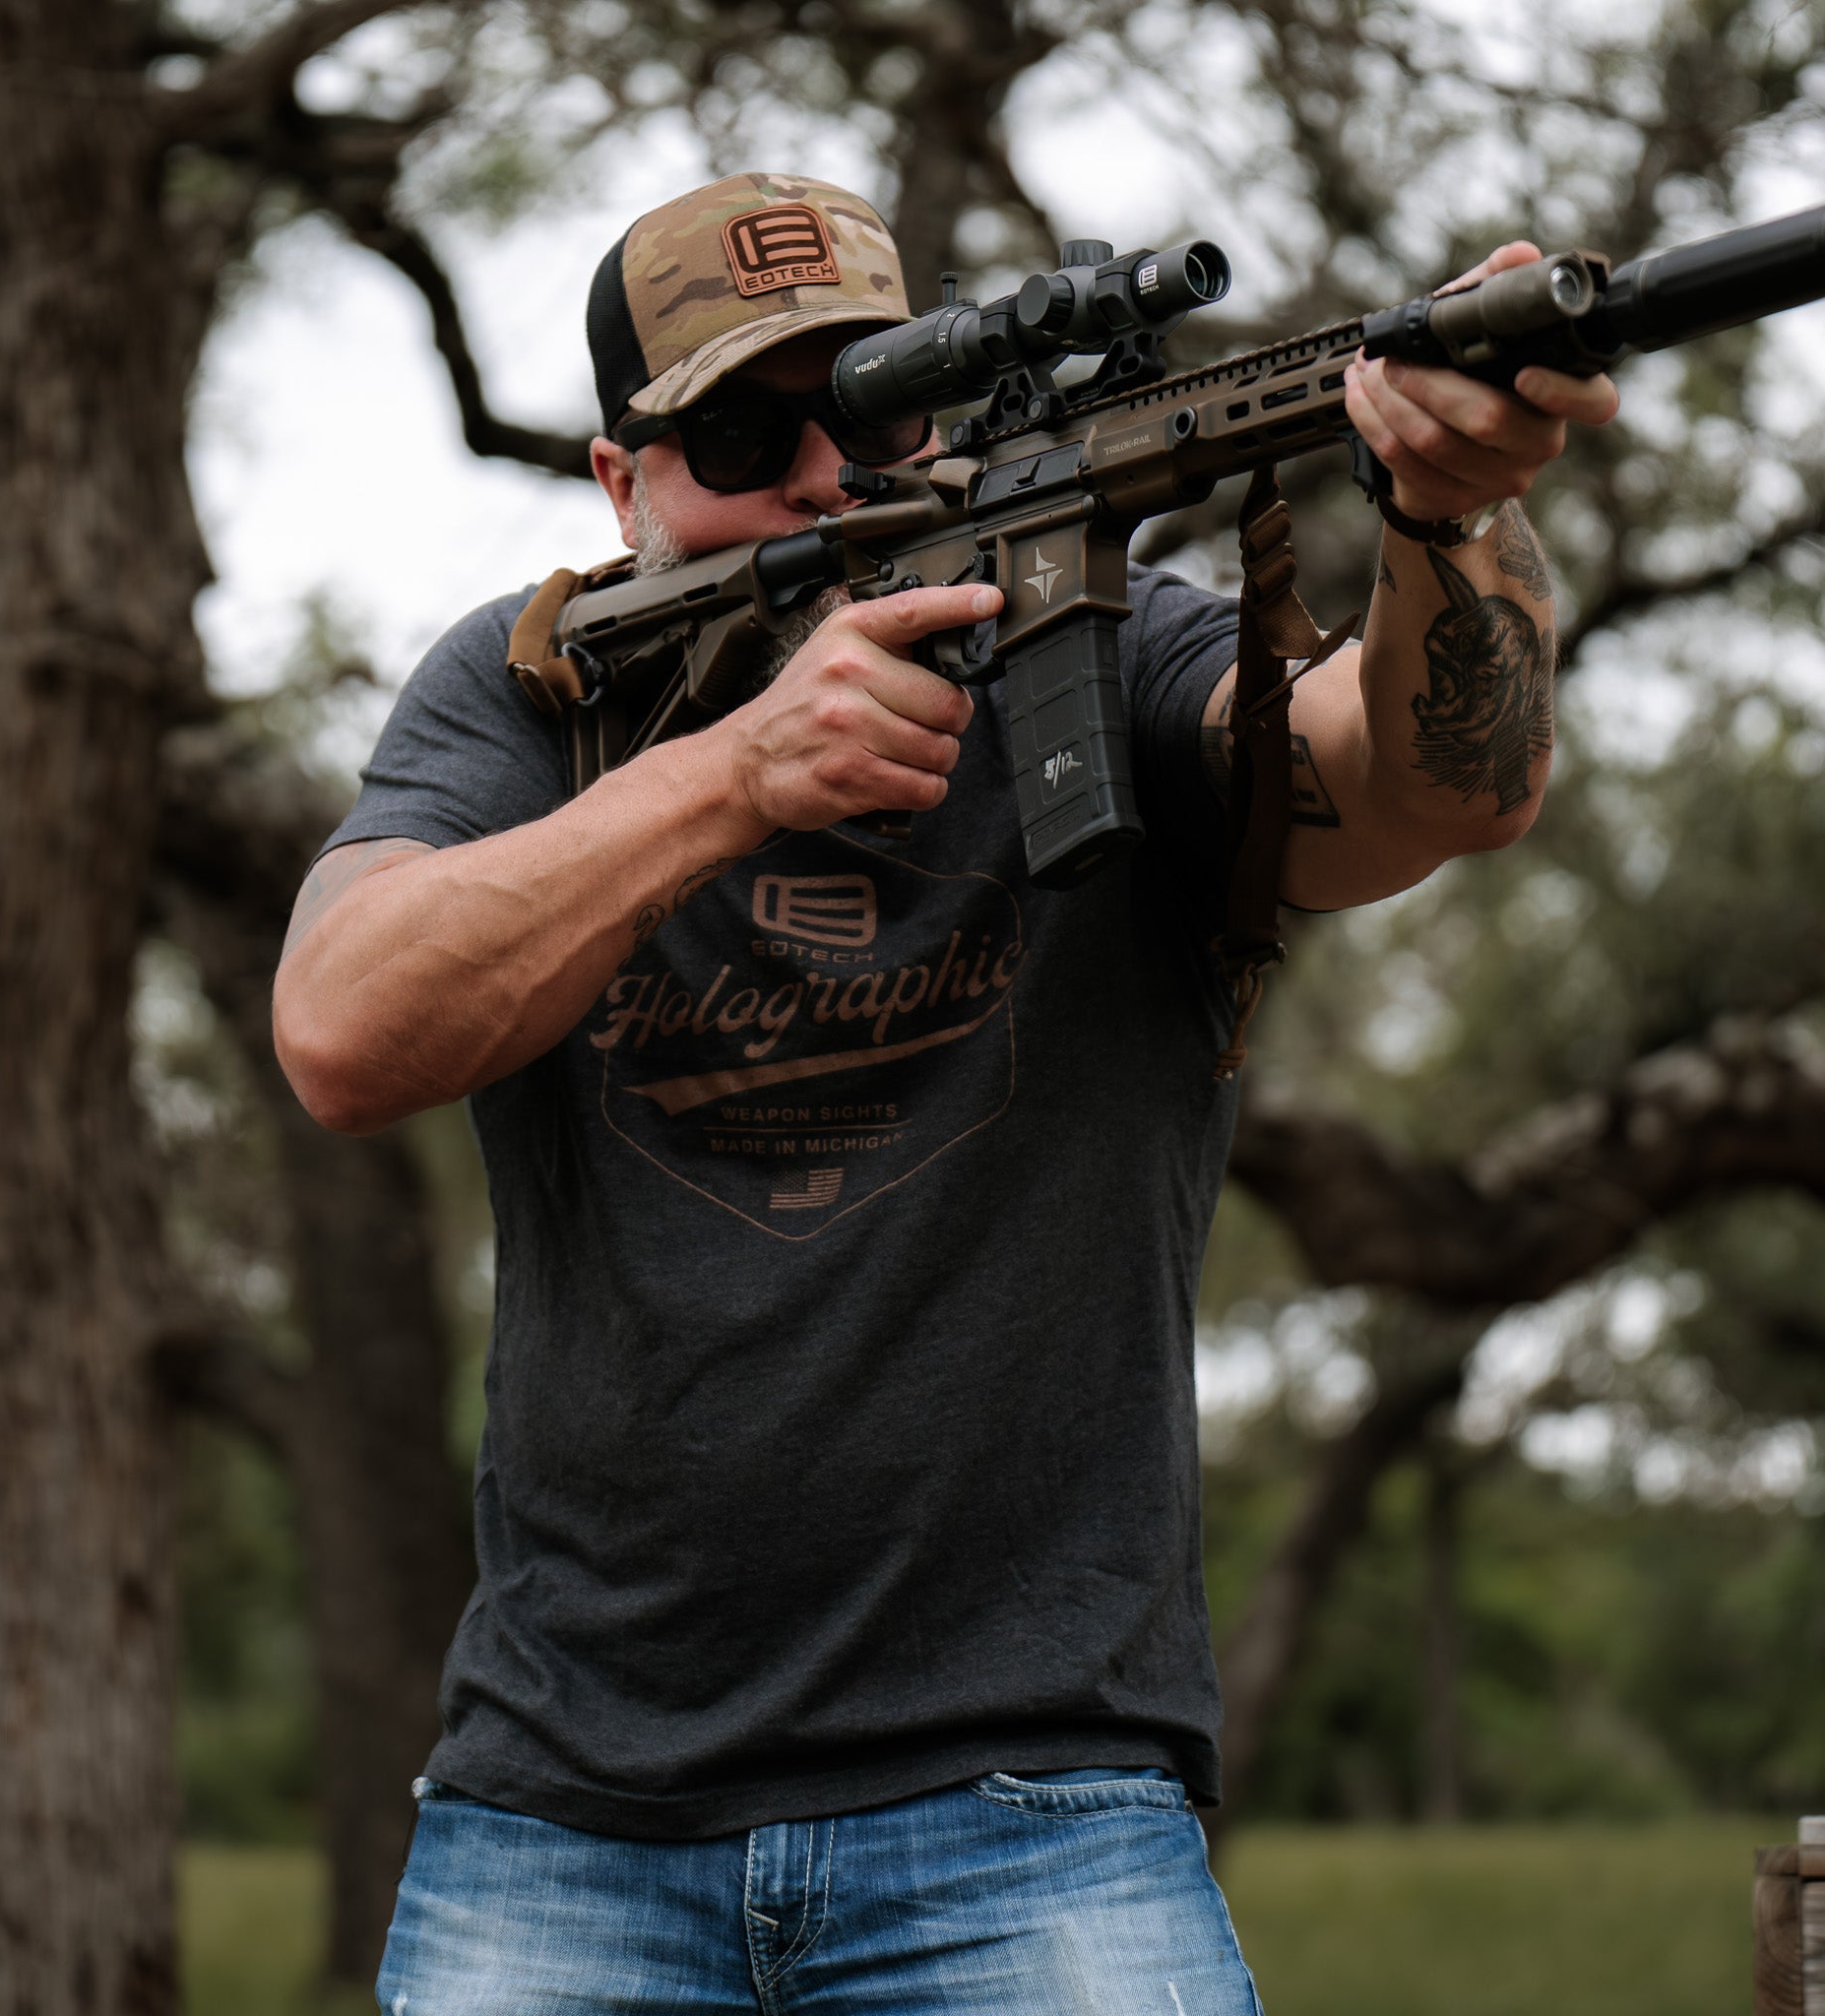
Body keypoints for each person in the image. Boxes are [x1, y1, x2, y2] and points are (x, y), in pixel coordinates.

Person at [274, 172, 1617, 2013]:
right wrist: (737, 775)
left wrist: (1450, 518)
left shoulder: (1103, 638)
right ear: (622, 485)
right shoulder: (530, 697)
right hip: (564, 1818)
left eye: (879, 407)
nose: (827, 476)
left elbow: (1432, 791)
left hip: (1041, 1810)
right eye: (748, 432)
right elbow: (345, 1030)